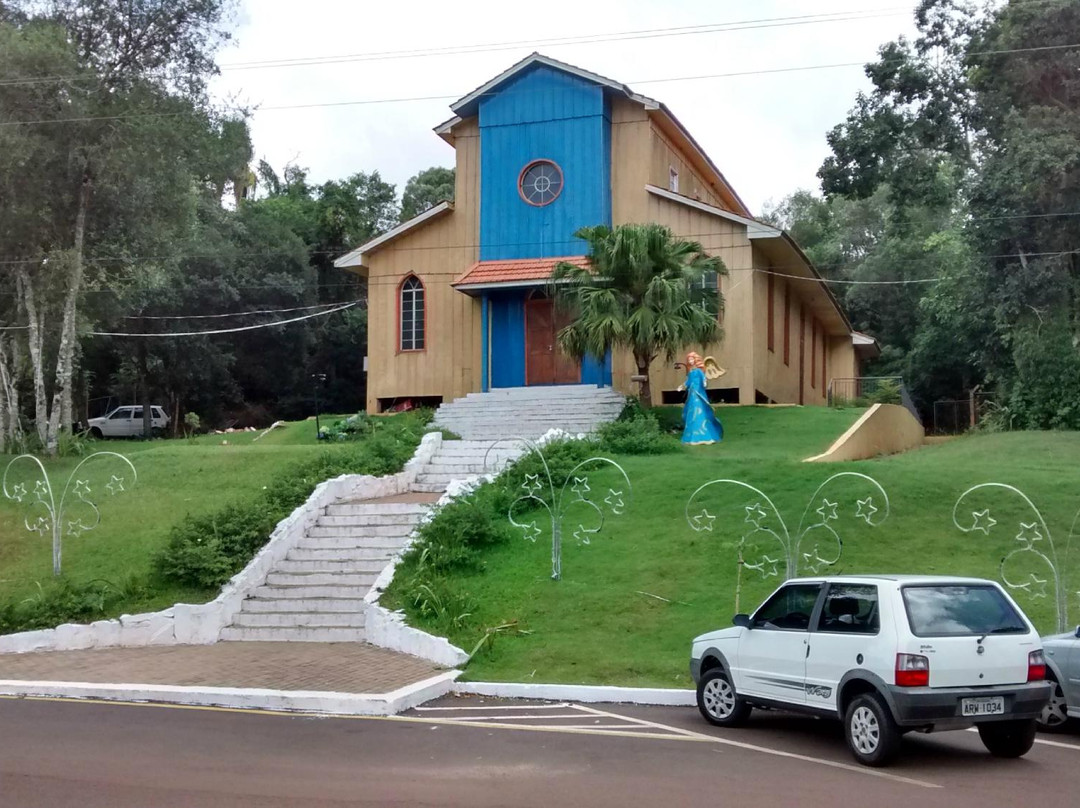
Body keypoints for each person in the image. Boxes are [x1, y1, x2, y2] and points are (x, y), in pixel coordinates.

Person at [679, 351, 724, 445]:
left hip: (698, 393)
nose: (690, 361)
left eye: (692, 359)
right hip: (692, 394)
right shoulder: (691, 372)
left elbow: (703, 378)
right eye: (689, 360)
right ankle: (691, 435)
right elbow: (688, 382)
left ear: (695, 360)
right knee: (692, 411)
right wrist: (682, 386)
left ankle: (705, 434)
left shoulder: (699, 371)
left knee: (700, 409)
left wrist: (704, 382)